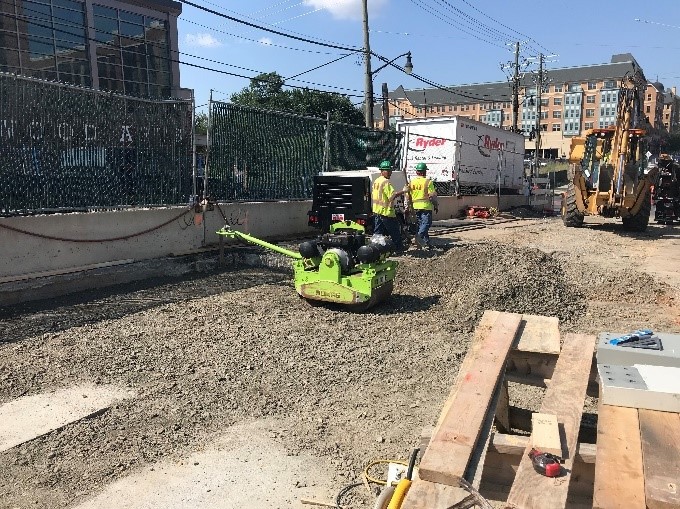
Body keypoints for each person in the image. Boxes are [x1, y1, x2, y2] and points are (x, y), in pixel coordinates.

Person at [372, 160, 405, 252]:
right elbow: (392, 196)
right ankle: (399, 249)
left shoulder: (376, 181)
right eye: (388, 171)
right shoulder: (386, 182)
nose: (390, 173)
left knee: (377, 234)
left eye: (390, 170)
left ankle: (375, 250)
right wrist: (404, 191)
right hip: (386, 212)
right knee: (395, 232)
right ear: (382, 171)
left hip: (377, 211)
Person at [406, 162, 438, 250]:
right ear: (424, 172)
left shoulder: (411, 182)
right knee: (426, 224)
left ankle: (426, 243)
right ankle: (418, 238)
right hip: (425, 207)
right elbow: (432, 196)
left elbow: (407, 195)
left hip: (415, 207)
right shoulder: (428, 182)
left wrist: (407, 207)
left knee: (421, 225)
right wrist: (436, 205)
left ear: (417, 172)